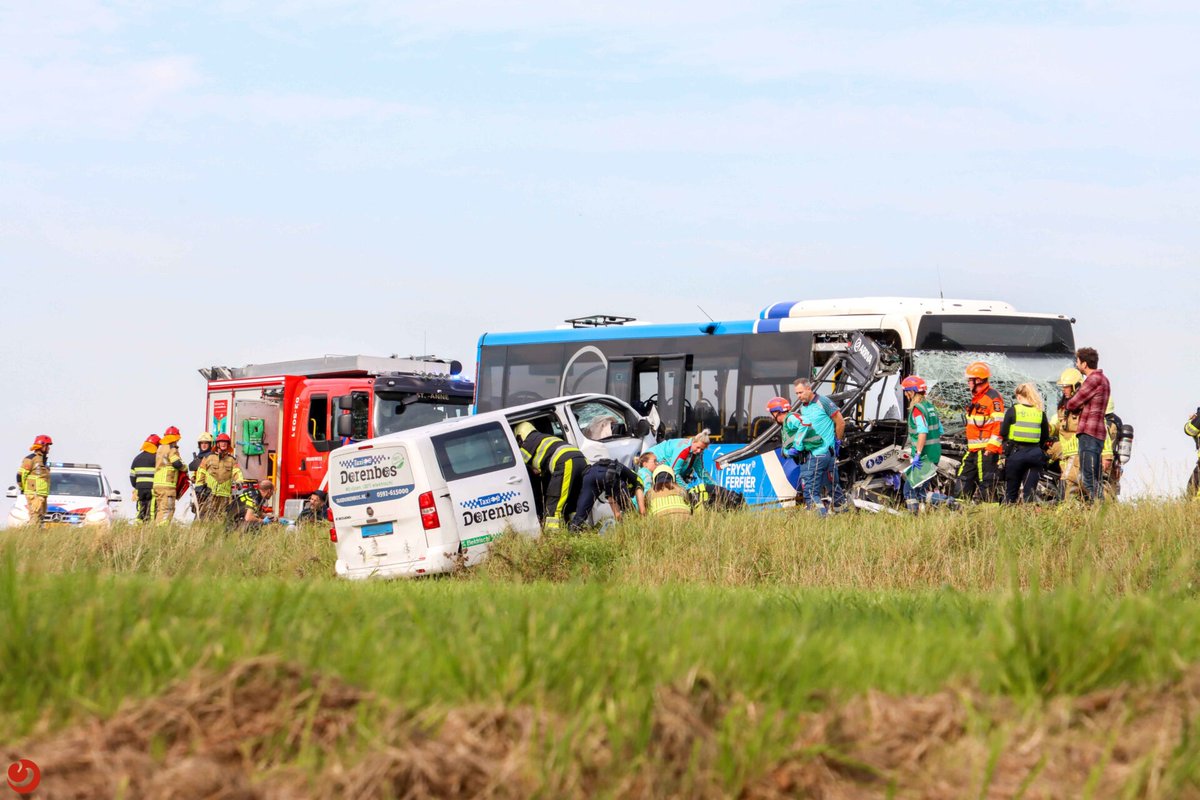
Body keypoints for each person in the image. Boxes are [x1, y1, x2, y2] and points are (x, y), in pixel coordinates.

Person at [512, 421, 585, 531]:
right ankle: (578, 529)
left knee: (554, 502)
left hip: (566, 463)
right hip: (581, 460)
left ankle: (553, 535)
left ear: (520, 436)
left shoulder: (530, 441)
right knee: (572, 500)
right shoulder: (545, 437)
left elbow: (517, 463)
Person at [1062, 347, 1111, 503]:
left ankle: (1100, 508)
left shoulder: (1093, 379)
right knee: (1094, 476)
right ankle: (1098, 510)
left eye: (1077, 362)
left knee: (1087, 477)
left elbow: (1073, 403)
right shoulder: (1104, 379)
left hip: (1089, 433)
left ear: (1084, 363)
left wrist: (1072, 404)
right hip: (1097, 433)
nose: (1077, 365)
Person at [646, 430, 742, 510]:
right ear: (693, 442)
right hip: (653, 457)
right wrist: (688, 489)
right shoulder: (683, 449)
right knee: (666, 483)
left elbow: (702, 472)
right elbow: (674, 472)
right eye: (698, 447)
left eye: (702, 449)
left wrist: (716, 487)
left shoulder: (697, 453)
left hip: (666, 463)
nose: (699, 451)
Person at [899, 376, 953, 514]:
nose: (905, 394)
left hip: (924, 456)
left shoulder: (917, 409)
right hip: (934, 454)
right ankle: (950, 503)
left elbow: (922, 432)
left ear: (912, 391)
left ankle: (914, 517)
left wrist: (917, 453)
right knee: (921, 491)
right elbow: (939, 430)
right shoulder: (930, 407)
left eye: (906, 391)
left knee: (909, 490)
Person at [792, 378, 846, 516]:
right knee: (833, 487)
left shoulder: (824, 402)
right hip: (822, 454)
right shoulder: (802, 408)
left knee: (811, 490)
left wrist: (837, 442)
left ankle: (820, 519)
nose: (798, 396)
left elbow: (840, 422)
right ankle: (846, 515)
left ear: (809, 389)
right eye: (796, 393)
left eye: (800, 392)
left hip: (820, 454)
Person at [959, 361, 1005, 503]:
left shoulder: (993, 398)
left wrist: (991, 448)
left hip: (986, 452)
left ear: (978, 380)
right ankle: (958, 513)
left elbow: (999, 425)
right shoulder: (977, 398)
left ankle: (991, 519)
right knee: (962, 482)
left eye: (970, 380)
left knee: (987, 486)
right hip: (973, 450)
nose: (968, 383)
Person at [767, 395, 823, 506]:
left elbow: (804, 423)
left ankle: (819, 515)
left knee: (810, 492)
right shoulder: (787, 423)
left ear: (777, 412)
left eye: (772, 414)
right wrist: (787, 451)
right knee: (806, 492)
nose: (772, 417)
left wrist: (797, 446)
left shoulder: (790, 418)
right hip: (807, 459)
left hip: (811, 458)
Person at [1000, 383, 1051, 504]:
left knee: (1011, 492)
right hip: (1034, 455)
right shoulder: (1040, 413)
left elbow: (1003, 432)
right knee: (1030, 493)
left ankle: (1009, 516)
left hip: (1016, 454)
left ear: (1019, 396)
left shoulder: (1014, 410)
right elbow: (1045, 436)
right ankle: (1029, 518)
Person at [569, 458, 645, 529]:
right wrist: (642, 515)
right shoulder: (636, 479)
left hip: (590, 474)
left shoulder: (620, 472)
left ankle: (574, 527)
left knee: (581, 512)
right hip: (609, 472)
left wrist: (617, 515)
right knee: (630, 510)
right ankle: (635, 525)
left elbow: (610, 494)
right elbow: (639, 492)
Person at [195, 433, 244, 524]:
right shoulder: (208, 457)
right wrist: (198, 486)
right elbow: (201, 472)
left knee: (221, 518)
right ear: (217, 444)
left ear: (228, 444)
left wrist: (239, 481)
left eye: (225, 442)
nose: (223, 444)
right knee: (206, 517)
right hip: (210, 494)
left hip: (224, 496)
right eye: (221, 442)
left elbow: (236, 472)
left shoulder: (232, 460)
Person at [152, 426, 187, 524]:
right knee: (168, 510)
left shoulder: (160, 448)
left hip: (157, 485)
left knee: (160, 510)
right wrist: (185, 467)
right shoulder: (172, 449)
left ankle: (157, 530)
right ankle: (162, 532)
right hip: (167, 486)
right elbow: (177, 464)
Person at [17, 435, 53, 527]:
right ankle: (30, 535)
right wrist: (23, 488)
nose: (49, 448)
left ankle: (36, 536)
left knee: (41, 517)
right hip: (34, 494)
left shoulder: (42, 461)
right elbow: (20, 475)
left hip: (42, 495)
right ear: (42, 446)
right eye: (47, 446)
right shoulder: (30, 459)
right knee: (35, 516)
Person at [129, 434, 160, 522]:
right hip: (152, 489)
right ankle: (150, 530)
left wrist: (137, 486)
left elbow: (132, 477)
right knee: (152, 512)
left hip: (139, 489)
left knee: (140, 511)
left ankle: (138, 528)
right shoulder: (157, 458)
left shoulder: (137, 458)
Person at [189, 433, 214, 517]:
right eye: (202, 443)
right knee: (198, 511)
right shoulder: (199, 457)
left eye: (206, 443)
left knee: (204, 513)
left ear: (210, 444)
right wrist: (193, 476)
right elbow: (195, 470)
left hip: (207, 488)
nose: (203, 445)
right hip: (198, 488)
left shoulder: (211, 456)